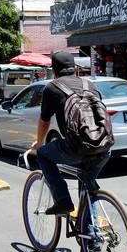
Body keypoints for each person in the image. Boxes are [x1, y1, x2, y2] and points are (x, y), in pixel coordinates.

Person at [31, 52, 111, 216]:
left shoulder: (52, 87)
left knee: (43, 155)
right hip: (103, 146)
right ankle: (92, 239)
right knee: (88, 187)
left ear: (54, 70)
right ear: (75, 68)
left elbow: (44, 121)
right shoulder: (90, 85)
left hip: (76, 147)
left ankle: (63, 201)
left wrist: (39, 143)